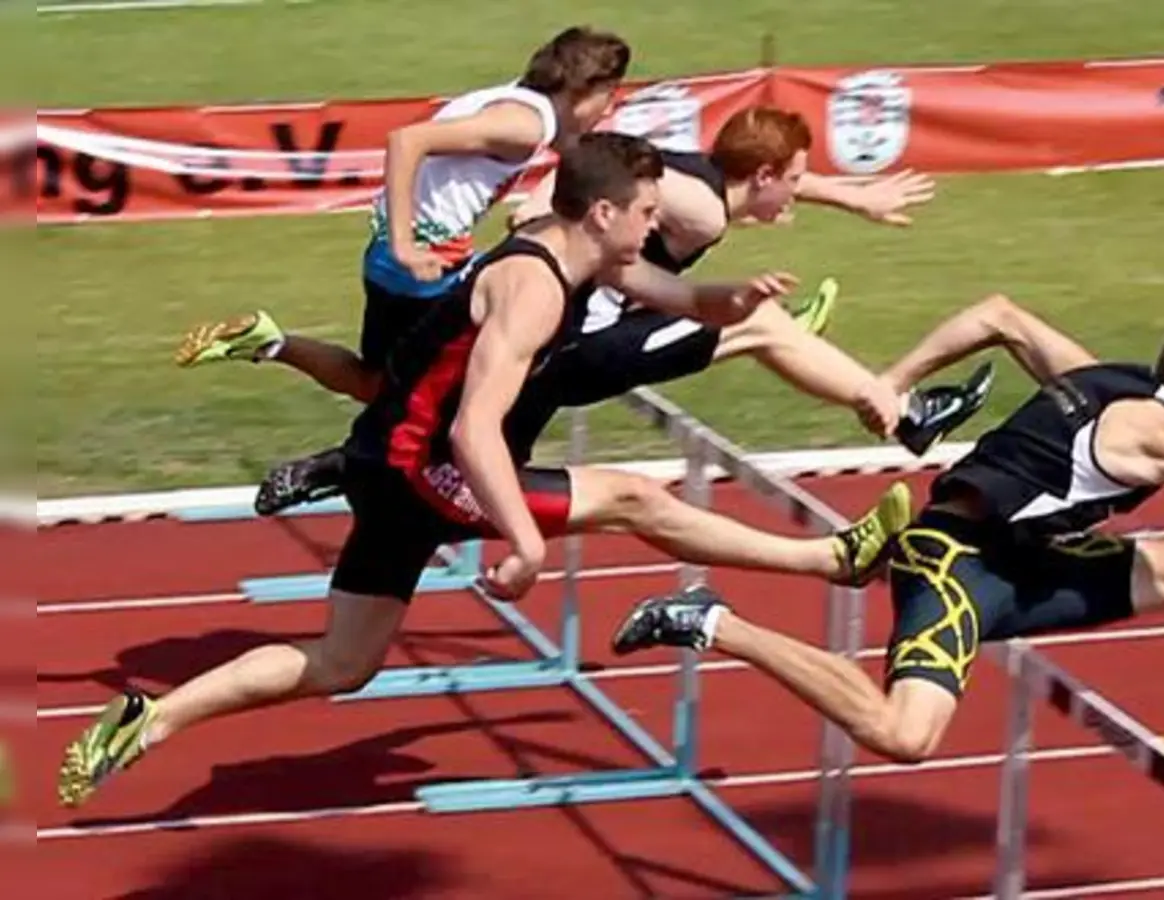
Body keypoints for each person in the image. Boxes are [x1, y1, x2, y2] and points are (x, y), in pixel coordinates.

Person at [58, 132, 914, 809]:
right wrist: (521, 540)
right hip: (418, 465)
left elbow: (677, 295)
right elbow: (473, 428)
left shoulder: (585, 245)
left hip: (387, 456)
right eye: (648, 210)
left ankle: (152, 718)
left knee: (342, 664)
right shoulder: (534, 287)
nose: (659, 224)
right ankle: (830, 559)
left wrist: (730, 300)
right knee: (633, 497)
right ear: (605, 212)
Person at [610, 294, 1164, 764]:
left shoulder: (1106, 377)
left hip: (1027, 554)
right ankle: (713, 623)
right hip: (953, 566)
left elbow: (999, 314)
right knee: (905, 736)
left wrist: (888, 387)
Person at [247, 106, 987, 517]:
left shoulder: (690, 177)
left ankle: (344, 466)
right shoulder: (698, 208)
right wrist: (542, 220)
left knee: (470, 450)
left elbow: (614, 169)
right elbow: (631, 196)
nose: (799, 192)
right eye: (794, 182)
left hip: (573, 327)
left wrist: (852, 196)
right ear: (760, 176)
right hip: (578, 343)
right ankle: (898, 410)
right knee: (759, 325)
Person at [172, 26, 632, 402]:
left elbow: (574, 153)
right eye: (609, 96)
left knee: (373, 383)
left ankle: (269, 342)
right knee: (500, 361)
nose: (608, 109)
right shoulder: (522, 124)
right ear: (582, 90)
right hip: (428, 263)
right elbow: (406, 140)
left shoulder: (520, 100)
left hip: (400, 261)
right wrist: (405, 244)